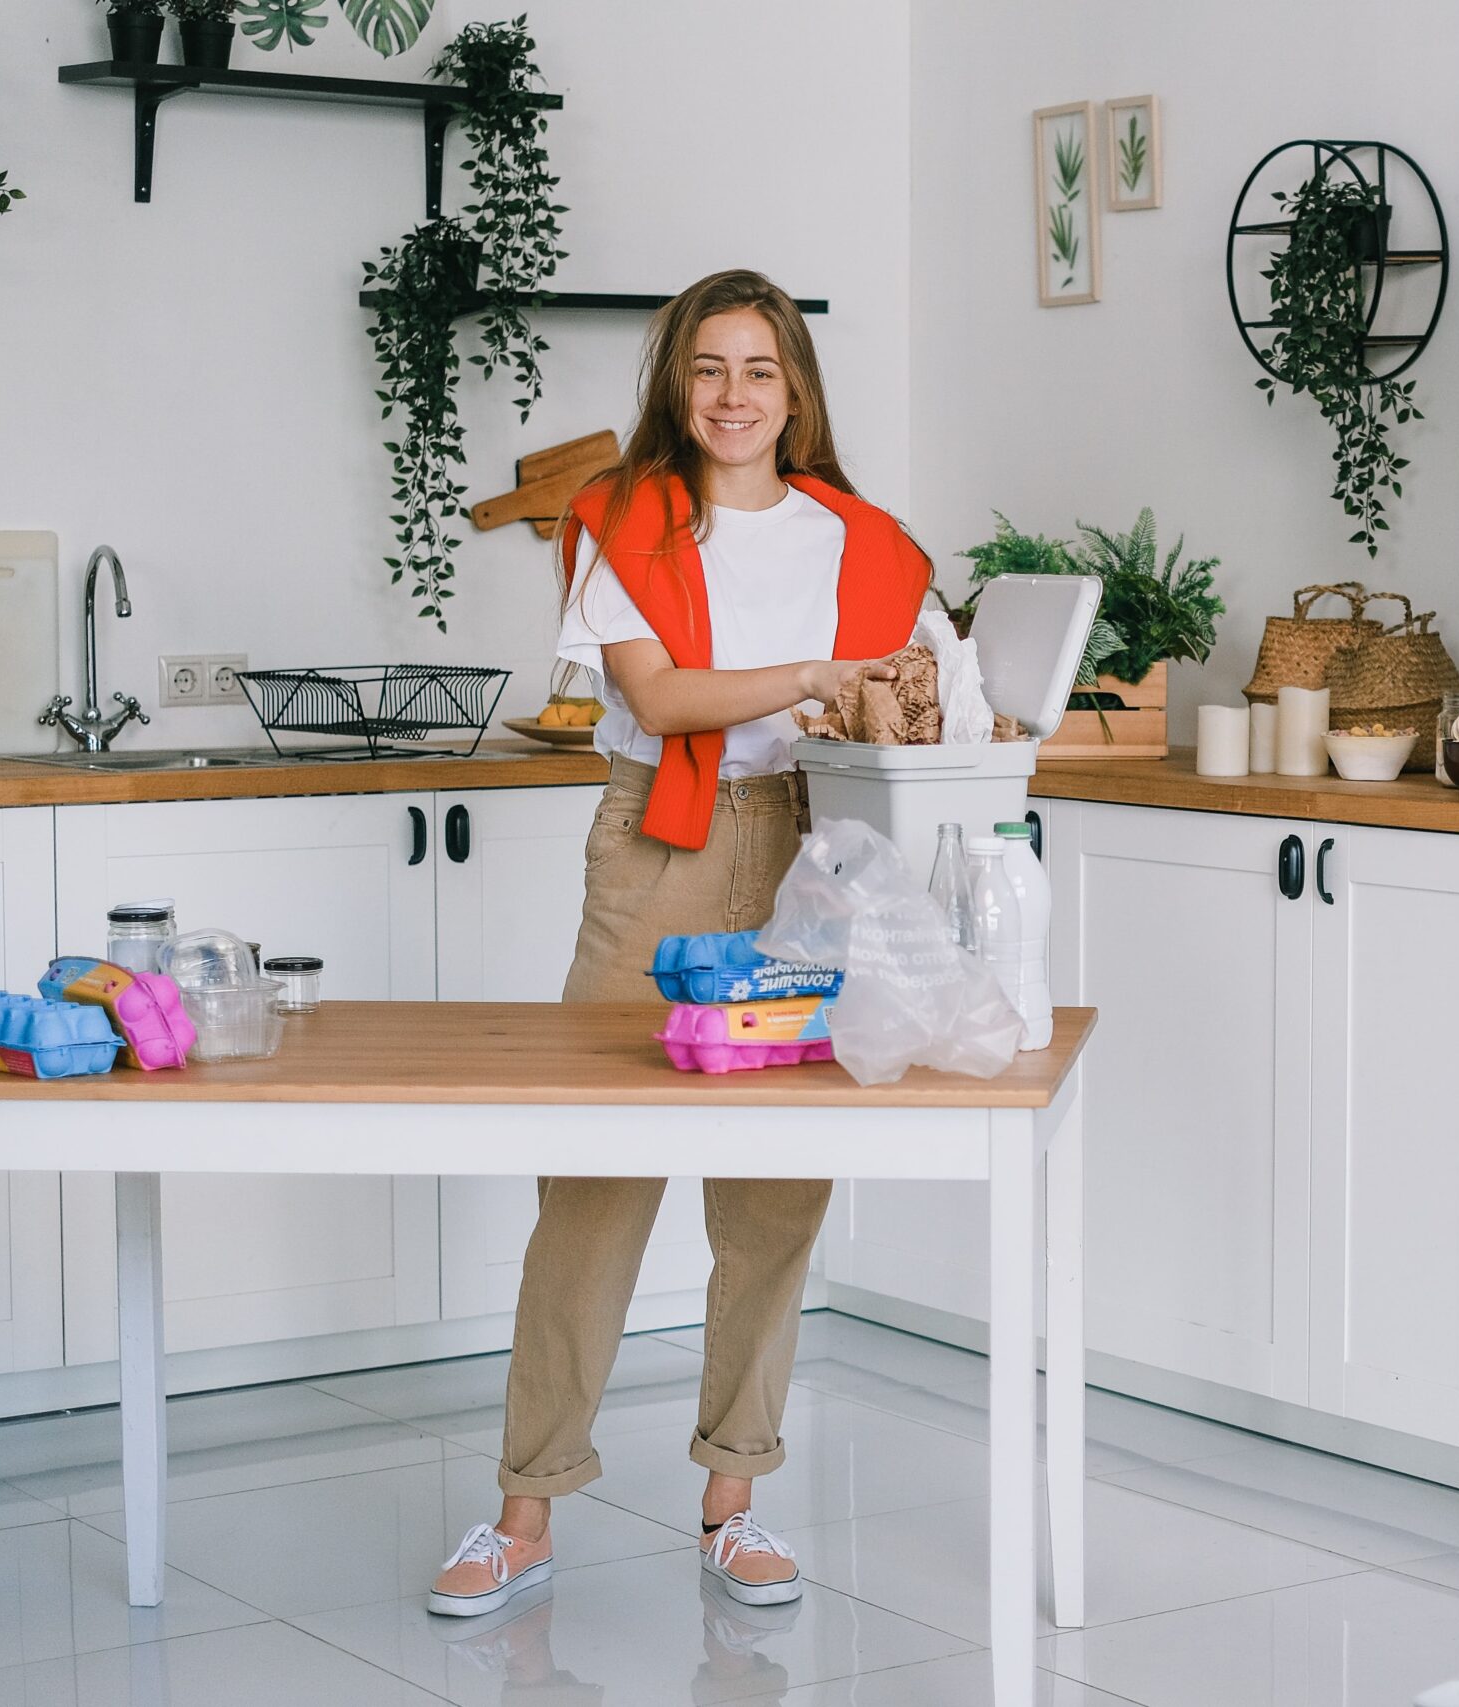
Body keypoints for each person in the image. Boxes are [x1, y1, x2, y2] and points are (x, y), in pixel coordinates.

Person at [428, 269, 927, 1617]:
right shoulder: (625, 520)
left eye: (759, 370)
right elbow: (663, 694)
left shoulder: (865, 542)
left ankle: (734, 1496)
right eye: (707, 369)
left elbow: (905, 702)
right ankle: (525, 1510)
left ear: (795, 391)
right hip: (660, 834)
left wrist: (911, 705)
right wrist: (826, 677)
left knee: (776, 1187)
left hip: (816, 845)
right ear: (675, 385)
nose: (732, 396)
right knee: (595, 1172)